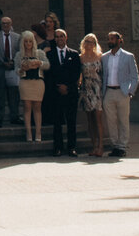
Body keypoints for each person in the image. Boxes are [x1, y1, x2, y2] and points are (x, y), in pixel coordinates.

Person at [101, 30, 139, 156]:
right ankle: (115, 146)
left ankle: (122, 146)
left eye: (112, 39)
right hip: (108, 92)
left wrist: (130, 91)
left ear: (119, 40)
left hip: (122, 92)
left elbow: (135, 76)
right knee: (111, 121)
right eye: (108, 39)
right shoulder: (104, 57)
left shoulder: (128, 56)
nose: (110, 41)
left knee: (123, 120)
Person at [47, 29, 82, 157]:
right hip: (56, 93)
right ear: (54, 39)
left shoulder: (74, 54)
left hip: (70, 92)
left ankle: (72, 147)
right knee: (57, 122)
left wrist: (67, 87)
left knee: (71, 121)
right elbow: (49, 75)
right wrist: (58, 87)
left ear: (66, 38)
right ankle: (58, 148)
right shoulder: (50, 55)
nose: (59, 39)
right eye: (57, 37)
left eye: (62, 36)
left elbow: (77, 73)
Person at [15, 29, 48, 142]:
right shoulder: (19, 55)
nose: (28, 44)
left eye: (30, 41)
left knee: (37, 107)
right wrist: (22, 69)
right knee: (27, 107)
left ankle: (38, 132)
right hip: (25, 82)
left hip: (38, 82)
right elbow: (16, 70)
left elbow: (48, 65)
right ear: (23, 42)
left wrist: (40, 63)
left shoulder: (40, 53)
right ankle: (28, 132)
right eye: (26, 41)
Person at [0, 15, 21, 127]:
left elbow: (19, 51)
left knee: (14, 95)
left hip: (13, 69)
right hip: (0, 68)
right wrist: (3, 62)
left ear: (11, 24)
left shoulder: (17, 37)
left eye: (8, 23)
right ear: (1, 24)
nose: (6, 25)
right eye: (3, 23)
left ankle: (15, 116)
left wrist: (13, 62)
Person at [79, 33, 105, 158]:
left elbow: (105, 73)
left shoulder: (100, 57)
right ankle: (94, 145)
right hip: (86, 90)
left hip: (97, 89)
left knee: (98, 119)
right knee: (90, 120)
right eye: (87, 41)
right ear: (84, 43)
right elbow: (79, 76)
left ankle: (101, 146)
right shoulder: (81, 57)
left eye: (91, 42)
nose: (89, 44)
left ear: (95, 44)